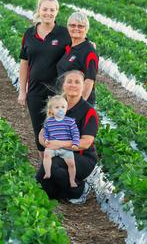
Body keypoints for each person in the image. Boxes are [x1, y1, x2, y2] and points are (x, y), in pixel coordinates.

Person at [18, 0, 71, 157]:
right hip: (34, 91)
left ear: (57, 12)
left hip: (57, 92)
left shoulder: (64, 33)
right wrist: (22, 91)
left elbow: (81, 46)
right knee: (39, 132)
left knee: (57, 131)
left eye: (52, 10)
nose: (48, 12)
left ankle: (58, 167)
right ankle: (45, 168)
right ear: (39, 11)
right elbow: (24, 64)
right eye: (45, 9)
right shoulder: (29, 34)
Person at [36, 70, 99, 204]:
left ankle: (80, 189)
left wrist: (59, 144)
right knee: (41, 181)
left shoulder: (88, 111)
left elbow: (86, 143)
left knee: (53, 165)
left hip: (83, 158)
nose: (73, 85)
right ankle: (63, 191)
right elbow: (43, 132)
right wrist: (45, 142)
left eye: (77, 82)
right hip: (59, 154)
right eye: (69, 81)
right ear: (63, 85)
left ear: (83, 87)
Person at [56, 12, 98, 105]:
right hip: (65, 100)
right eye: (72, 25)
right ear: (68, 27)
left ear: (86, 29)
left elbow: (89, 81)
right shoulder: (70, 47)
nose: (76, 28)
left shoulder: (89, 51)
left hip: (78, 104)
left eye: (80, 26)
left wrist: (77, 106)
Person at [42, 94, 80, 188]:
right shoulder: (49, 122)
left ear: (66, 109)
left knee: (71, 164)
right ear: (51, 110)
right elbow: (46, 132)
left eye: (63, 107)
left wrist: (75, 143)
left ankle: (72, 180)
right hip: (53, 147)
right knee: (46, 154)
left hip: (65, 148)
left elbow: (75, 133)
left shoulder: (70, 121)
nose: (60, 109)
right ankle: (47, 173)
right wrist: (46, 139)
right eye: (57, 107)